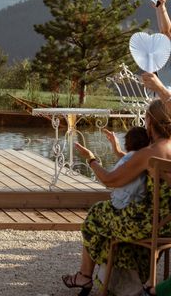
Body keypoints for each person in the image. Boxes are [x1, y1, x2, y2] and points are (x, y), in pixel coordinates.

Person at [61, 98, 171, 292]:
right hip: (167, 224)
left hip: (148, 224)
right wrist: (119, 152)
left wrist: (91, 160)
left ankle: (85, 276)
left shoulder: (150, 153)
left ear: (150, 122)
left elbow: (110, 180)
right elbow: (133, 167)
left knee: (98, 213)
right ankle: (124, 282)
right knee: (112, 220)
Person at [103, 126, 150, 209]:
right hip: (141, 205)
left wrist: (91, 159)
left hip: (123, 207)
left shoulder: (125, 161)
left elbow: (110, 181)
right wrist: (117, 149)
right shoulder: (147, 159)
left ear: (127, 143)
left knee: (96, 209)